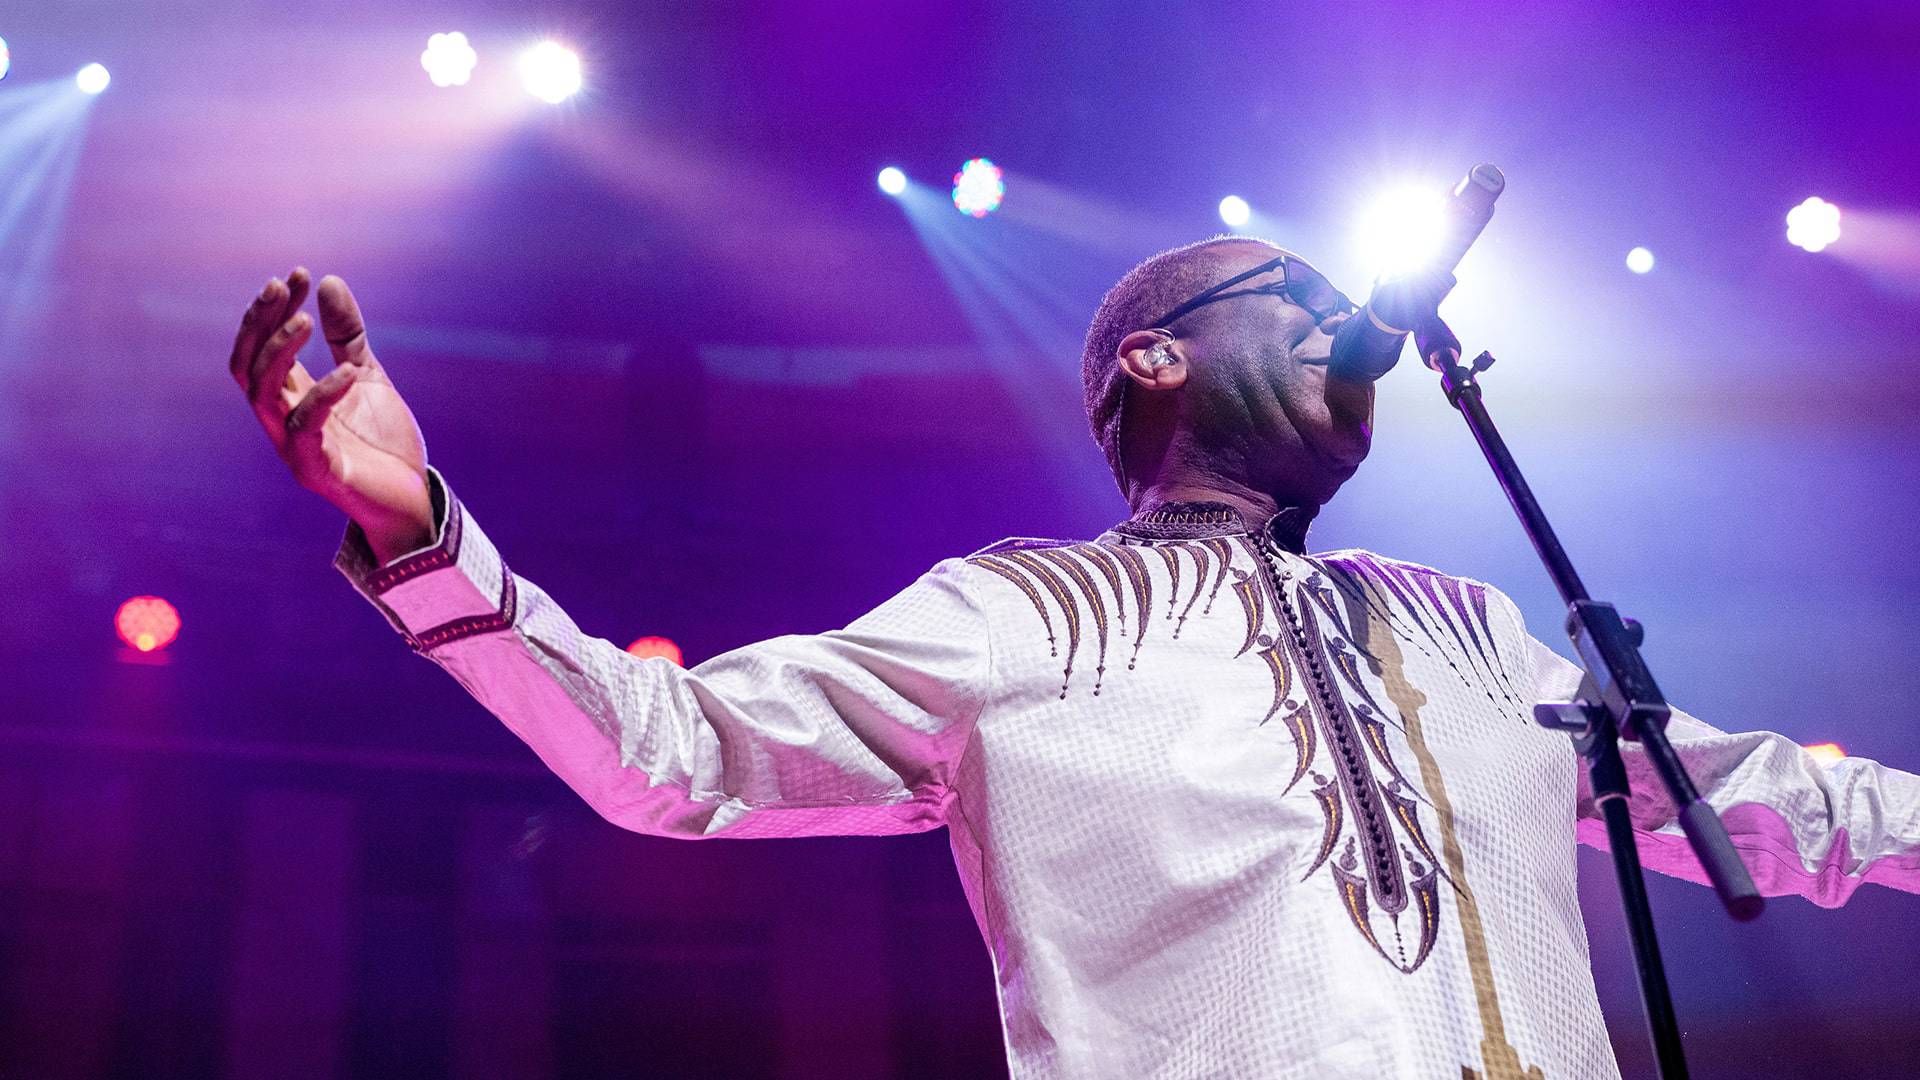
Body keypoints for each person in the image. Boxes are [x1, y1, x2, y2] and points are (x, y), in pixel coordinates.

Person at [229, 238, 1920, 1079]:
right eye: (1300, 295)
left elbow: (1764, 800)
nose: (1350, 327)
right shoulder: (1019, 617)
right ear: (1160, 359)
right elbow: (670, 753)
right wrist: (427, 539)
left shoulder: (1466, 623)